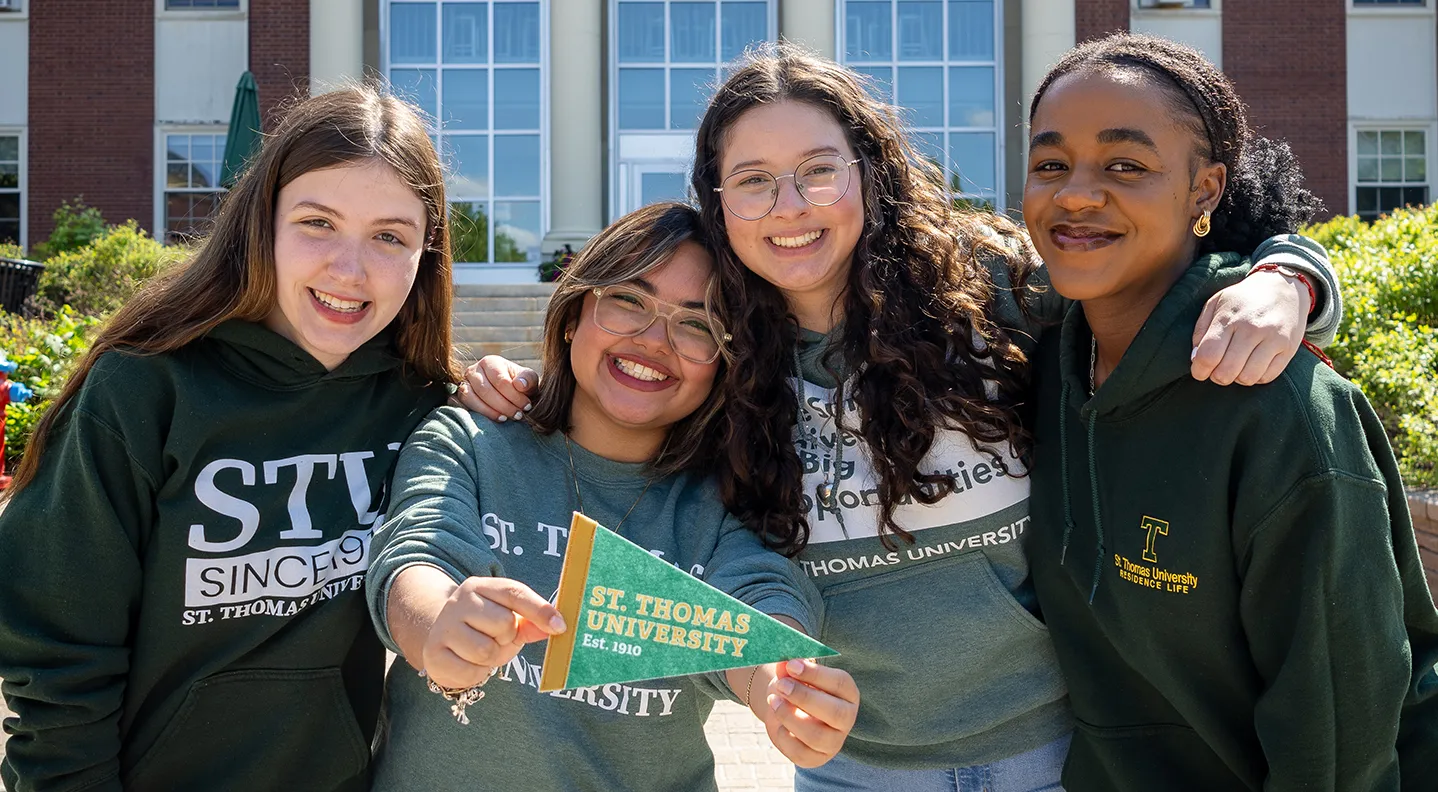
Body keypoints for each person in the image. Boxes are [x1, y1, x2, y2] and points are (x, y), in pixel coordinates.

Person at [466, 44, 1341, 790]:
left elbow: (1152, 271)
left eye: (817, 171)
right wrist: (513, 382)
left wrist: (1290, 276)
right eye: (753, 181)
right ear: (719, 200)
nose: (790, 206)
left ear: (869, 170)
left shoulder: (991, 287)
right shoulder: (719, 359)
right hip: (855, 764)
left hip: (1062, 748)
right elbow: (619, 384)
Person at [0, 85, 458, 792]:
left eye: (389, 236)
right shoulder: (144, 389)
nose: (349, 268)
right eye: (318, 223)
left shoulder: (424, 405)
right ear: (261, 222)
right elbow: (56, 654)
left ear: (425, 255)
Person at [1022, 34, 1438, 791]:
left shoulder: (1283, 411)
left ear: (1205, 190)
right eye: (1051, 164)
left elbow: (1340, 735)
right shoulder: (1041, 363)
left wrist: (1291, 274)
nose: (1076, 193)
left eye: (1126, 166)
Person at [366, 201, 859, 792]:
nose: (654, 340)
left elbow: (759, 597)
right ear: (576, 313)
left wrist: (778, 682)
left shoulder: (721, 502)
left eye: (697, 325)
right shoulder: (469, 440)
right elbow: (417, 553)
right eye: (629, 300)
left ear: (726, 364)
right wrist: (437, 622)